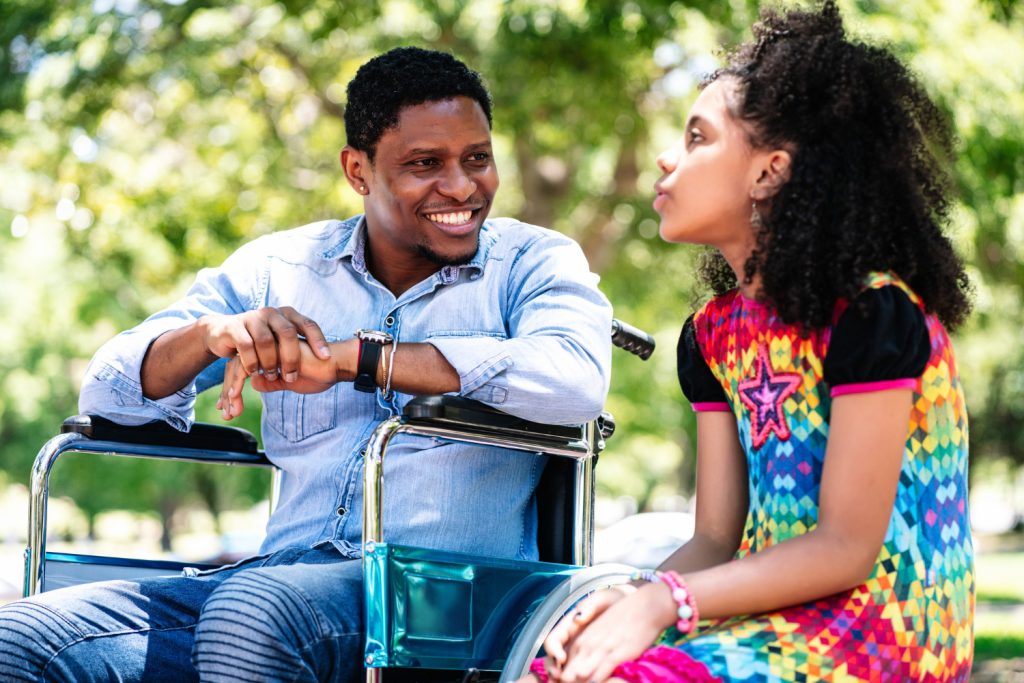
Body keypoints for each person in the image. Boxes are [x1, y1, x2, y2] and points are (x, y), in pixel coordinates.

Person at [0, 47, 612, 682]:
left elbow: (572, 378)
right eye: (424, 164)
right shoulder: (279, 270)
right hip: (278, 579)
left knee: (252, 615)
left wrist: (359, 360)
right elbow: (106, 392)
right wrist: (211, 336)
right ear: (358, 170)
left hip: (452, 595)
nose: (460, 186)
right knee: (22, 639)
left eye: (477, 159)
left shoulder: (534, 262)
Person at [521, 2, 973, 682]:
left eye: (698, 138)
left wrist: (661, 602)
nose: (668, 158)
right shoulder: (712, 336)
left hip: (887, 632)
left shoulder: (874, 314)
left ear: (769, 172)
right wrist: (625, 597)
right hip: (771, 618)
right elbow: (713, 536)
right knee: (558, 669)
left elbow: (846, 548)